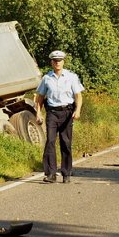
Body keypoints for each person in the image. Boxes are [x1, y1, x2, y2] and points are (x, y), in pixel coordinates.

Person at [34, 50, 84, 183]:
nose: (57, 63)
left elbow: (78, 96)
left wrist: (77, 110)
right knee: (50, 141)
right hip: (52, 113)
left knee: (66, 143)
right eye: (55, 61)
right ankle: (51, 173)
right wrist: (38, 113)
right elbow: (39, 98)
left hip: (67, 112)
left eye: (59, 60)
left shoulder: (71, 77)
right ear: (51, 62)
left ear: (63, 62)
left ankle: (66, 173)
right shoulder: (47, 78)